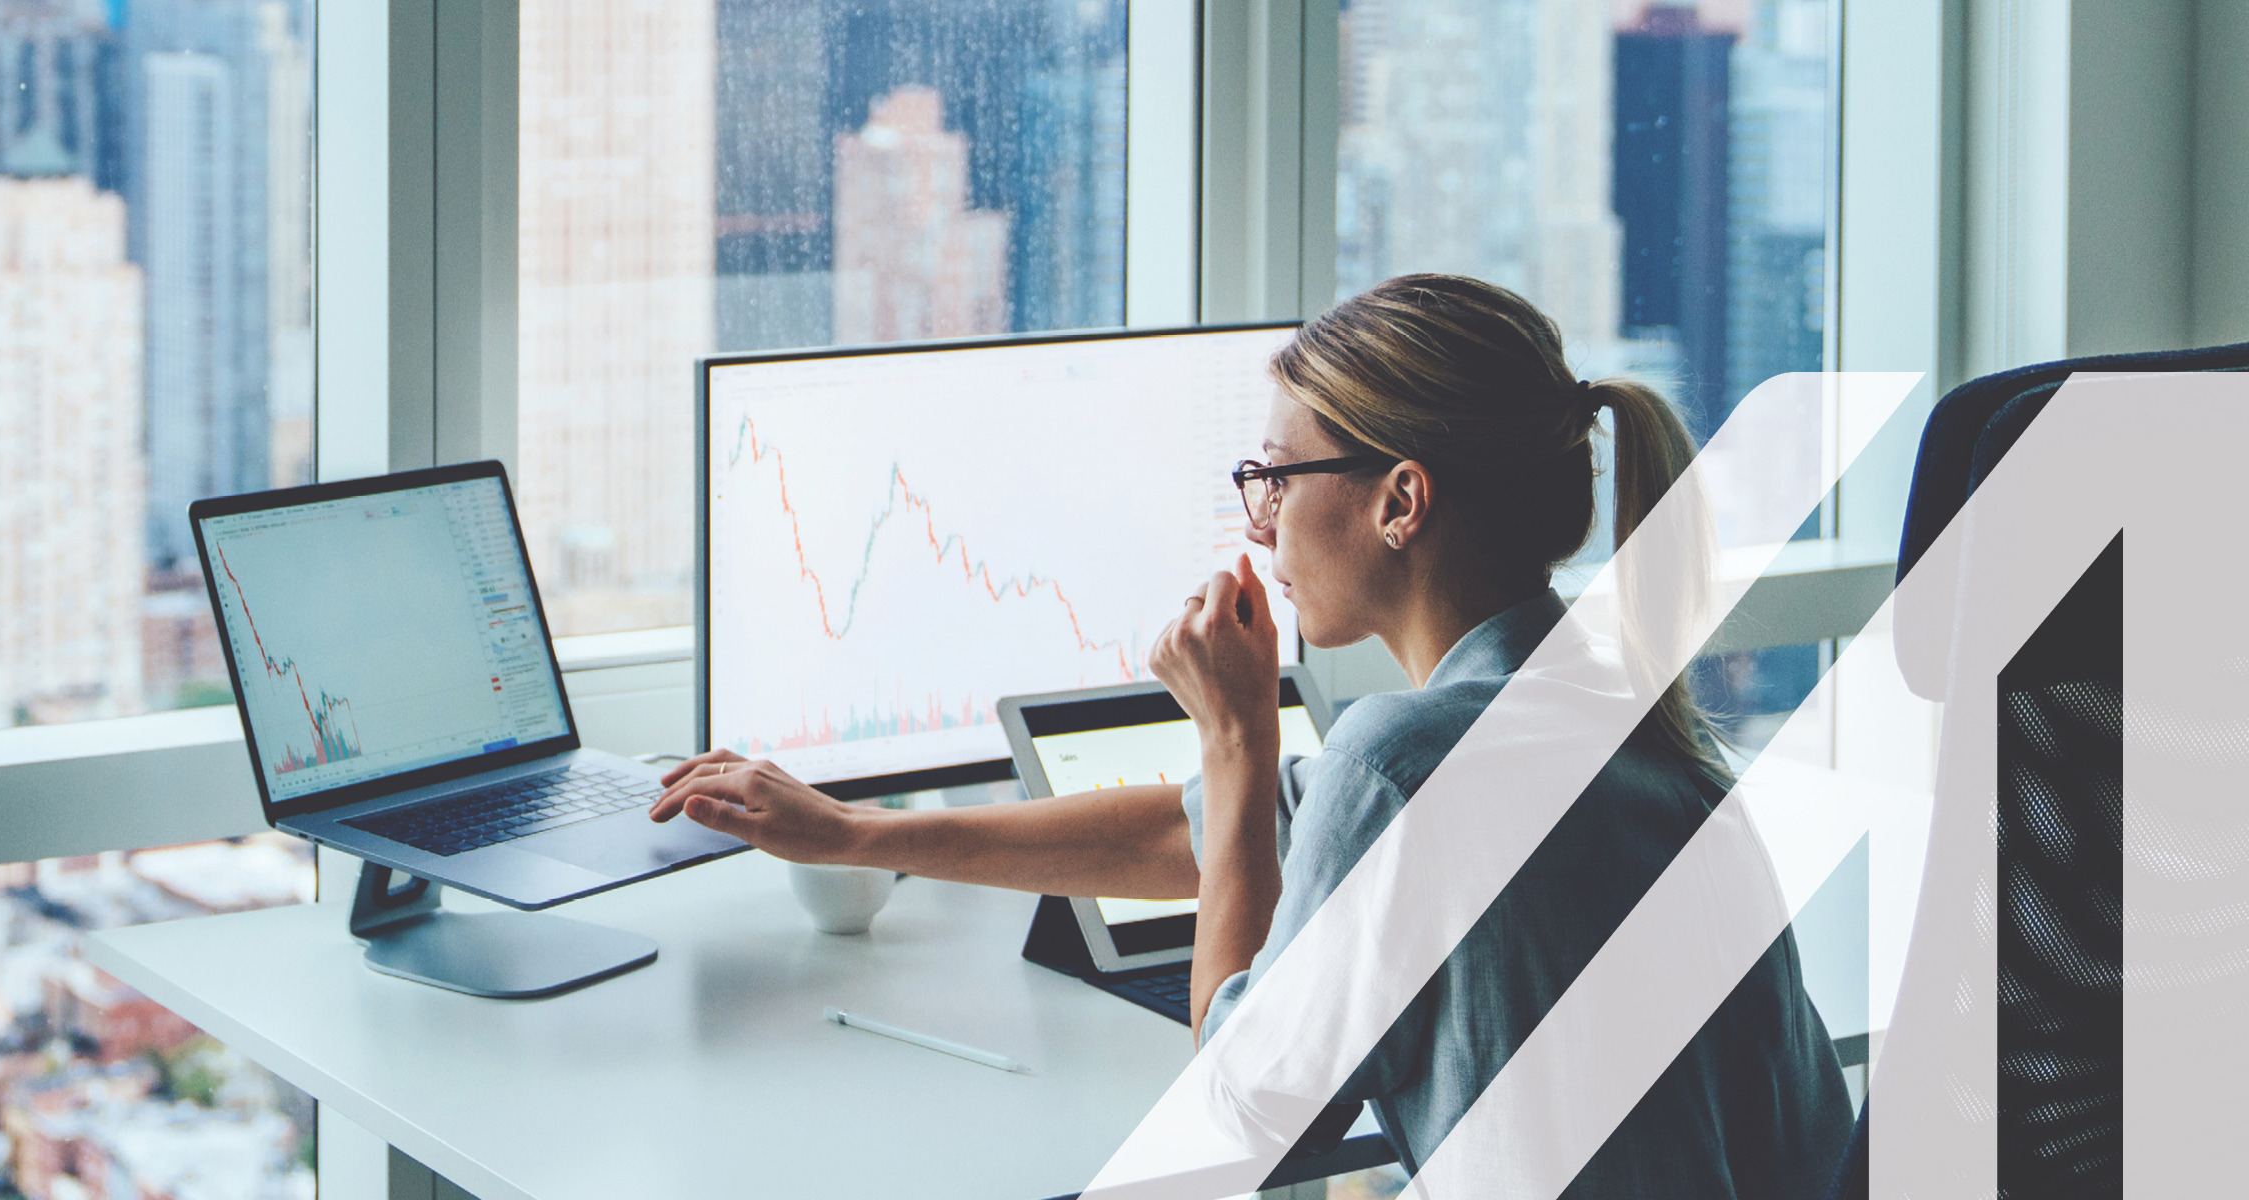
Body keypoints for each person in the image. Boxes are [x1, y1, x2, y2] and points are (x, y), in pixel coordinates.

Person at [650, 274, 1853, 1196]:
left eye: (1278, 474)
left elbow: (1234, 1123)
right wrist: (858, 834)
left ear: (1399, 501)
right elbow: (1211, 836)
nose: (1259, 516)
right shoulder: (1621, 726)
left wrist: (1232, 738)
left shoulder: (1400, 766)